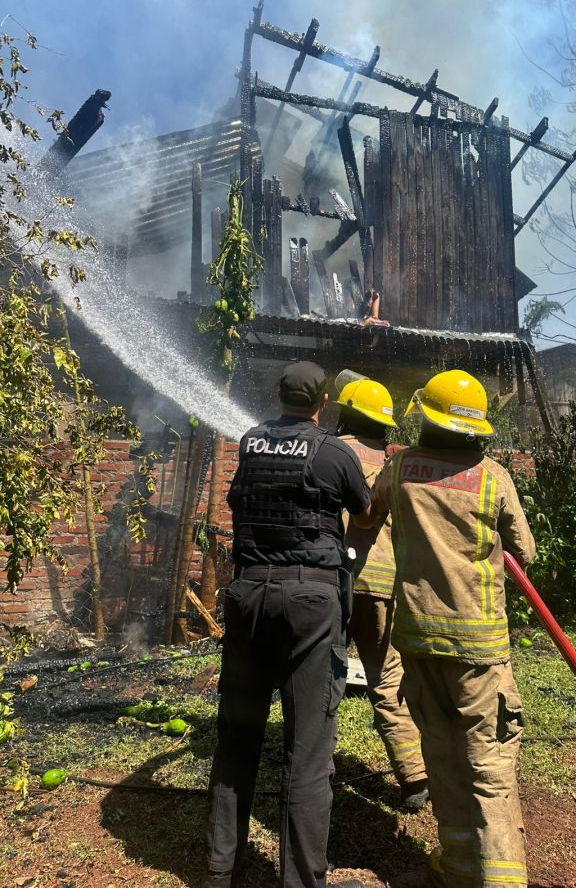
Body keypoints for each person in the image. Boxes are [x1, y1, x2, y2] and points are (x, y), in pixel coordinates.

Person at [361, 370, 536, 888]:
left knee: (440, 753)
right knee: (488, 764)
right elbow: (524, 552)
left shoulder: (396, 471)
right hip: (478, 649)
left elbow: (368, 516)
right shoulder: (492, 477)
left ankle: (459, 869)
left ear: (426, 415)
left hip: (417, 641)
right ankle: (500, 881)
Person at [204, 361, 370, 888]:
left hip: (248, 596)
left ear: (278, 395)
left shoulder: (250, 443)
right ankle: (301, 880)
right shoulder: (334, 451)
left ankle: (218, 868)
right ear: (324, 402)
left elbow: (237, 501)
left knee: (237, 738)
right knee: (308, 753)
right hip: (310, 604)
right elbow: (364, 510)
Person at [334, 371, 428, 810]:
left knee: (324, 677)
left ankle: (317, 770)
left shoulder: (332, 453)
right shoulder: (397, 464)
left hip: (336, 582)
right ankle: (414, 778)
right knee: (387, 679)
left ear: (347, 414)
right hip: (385, 585)